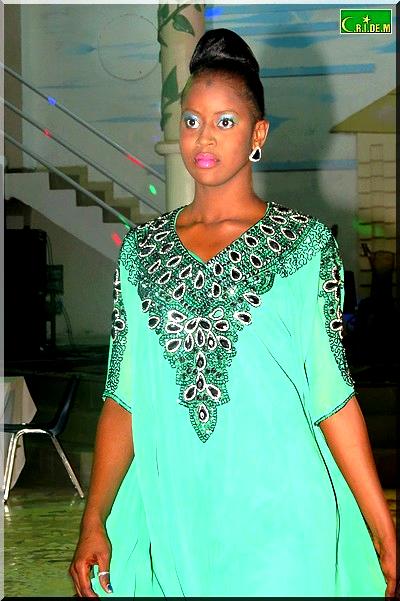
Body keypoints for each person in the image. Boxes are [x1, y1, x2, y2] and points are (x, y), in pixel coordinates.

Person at [69, 28, 397, 598]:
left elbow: (332, 396)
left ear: (257, 134)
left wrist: (382, 528)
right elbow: (124, 397)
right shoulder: (141, 253)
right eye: (192, 120)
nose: (204, 136)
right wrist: (93, 517)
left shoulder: (304, 246)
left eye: (225, 121)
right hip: (179, 522)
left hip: (285, 521)